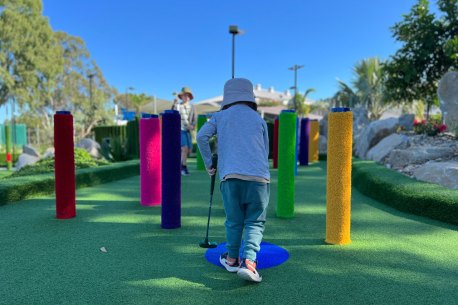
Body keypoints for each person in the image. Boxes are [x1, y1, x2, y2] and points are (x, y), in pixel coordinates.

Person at [197, 78, 270, 283]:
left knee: (234, 220)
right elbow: (265, 150)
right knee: (255, 221)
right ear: (250, 96)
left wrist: (209, 163)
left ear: (227, 96)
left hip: (230, 177)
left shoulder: (219, 116)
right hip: (259, 178)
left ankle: (231, 260)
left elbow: (202, 137)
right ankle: (249, 262)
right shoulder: (259, 119)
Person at [172, 87, 197, 176]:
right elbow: (173, 112)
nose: (186, 97)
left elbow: (194, 120)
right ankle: (183, 167)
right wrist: (174, 103)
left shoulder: (192, 107)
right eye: (184, 95)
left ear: (190, 97)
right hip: (179, 129)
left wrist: (192, 126)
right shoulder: (178, 105)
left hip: (188, 131)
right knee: (184, 148)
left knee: (189, 150)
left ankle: (180, 166)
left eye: (187, 95)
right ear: (181, 96)